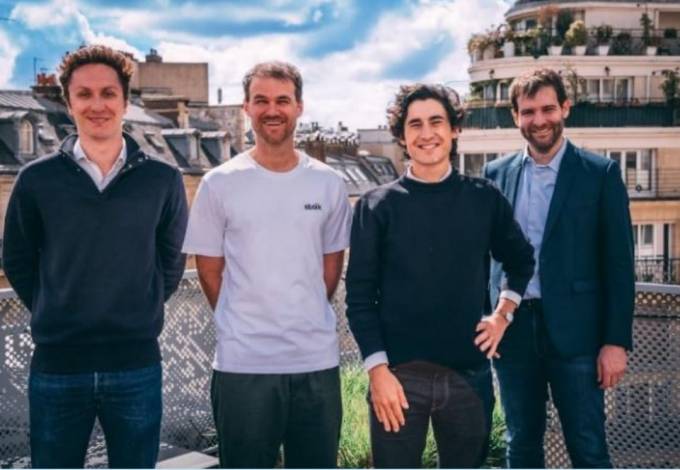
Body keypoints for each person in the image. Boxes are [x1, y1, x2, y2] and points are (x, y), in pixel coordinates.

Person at [2, 44, 188, 468]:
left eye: (108, 93)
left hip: (136, 364)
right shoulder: (36, 179)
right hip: (58, 365)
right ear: (68, 103)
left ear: (125, 101)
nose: (97, 105)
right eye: (84, 94)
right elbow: (17, 260)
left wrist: (138, 307)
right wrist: (55, 305)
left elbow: (171, 259)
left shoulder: (162, 179)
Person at [345, 83, 535, 468]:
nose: (426, 133)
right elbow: (360, 298)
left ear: (454, 129)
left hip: (468, 375)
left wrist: (502, 315)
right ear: (402, 136)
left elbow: (521, 259)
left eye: (436, 122)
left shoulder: (483, 197)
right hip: (397, 380)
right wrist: (377, 371)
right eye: (415, 124)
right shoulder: (376, 206)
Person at [182, 61, 352, 468]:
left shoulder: (328, 183)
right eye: (261, 100)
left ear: (299, 107)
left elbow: (330, 270)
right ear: (246, 108)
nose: (272, 110)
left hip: (315, 362)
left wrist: (304, 310)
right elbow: (209, 271)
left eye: (282, 100)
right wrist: (241, 321)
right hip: (243, 364)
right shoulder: (219, 183)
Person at [483, 68, 635, 468]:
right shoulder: (495, 174)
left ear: (565, 108)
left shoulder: (599, 174)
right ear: (515, 117)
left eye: (548, 109)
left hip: (579, 336)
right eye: (528, 111)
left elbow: (620, 265)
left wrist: (616, 341)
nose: (539, 120)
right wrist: (487, 319)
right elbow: (487, 257)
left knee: (587, 447)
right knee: (521, 444)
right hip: (514, 333)